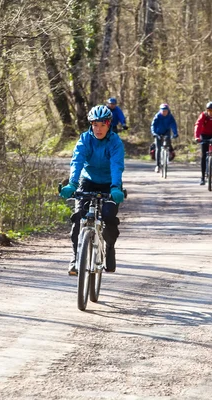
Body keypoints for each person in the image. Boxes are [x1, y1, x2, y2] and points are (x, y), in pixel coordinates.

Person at [60, 105, 125, 276]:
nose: (98, 129)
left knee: (109, 216)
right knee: (77, 218)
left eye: (102, 125)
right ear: (91, 124)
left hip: (110, 183)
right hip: (87, 180)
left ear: (109, 124)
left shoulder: (115, 142)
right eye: (95, 124)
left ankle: (109, 248)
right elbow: (77, 161)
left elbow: (116, 165)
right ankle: (76, 258)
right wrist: (72, 184)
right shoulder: (85, 139)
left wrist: (116, 187)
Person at [151, 103, 178, 173]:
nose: (164, 112)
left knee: (168, 145)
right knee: (158, 148)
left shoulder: (170, 116)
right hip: (158, 133)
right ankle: (157, 165)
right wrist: (154, 133)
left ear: (168, 111)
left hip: (166, 132)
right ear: (160, 111)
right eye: (163, 111)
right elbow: (153, 125)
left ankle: (167, 156)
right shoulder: (157, 116)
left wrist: (175, 133)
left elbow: (173, 125)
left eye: (165, 111)